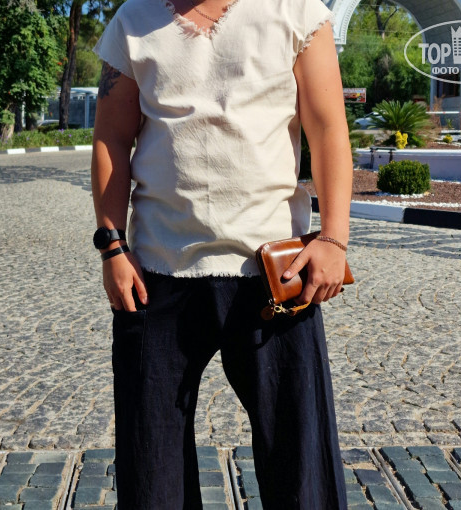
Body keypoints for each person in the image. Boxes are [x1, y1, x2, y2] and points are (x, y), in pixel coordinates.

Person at [90, 0, 353, 507]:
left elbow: (327, 129)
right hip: (156, 272)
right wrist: (112, 246)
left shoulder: (298, 12)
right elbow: (112, 138)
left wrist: (333, 238)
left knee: (301, 468)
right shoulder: (133, 19)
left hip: (275, 272)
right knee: (151, 472)